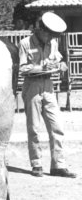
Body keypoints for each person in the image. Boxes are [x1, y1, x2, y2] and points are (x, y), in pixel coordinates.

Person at [19, 11, 76, 178]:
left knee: (56, 127)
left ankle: (58, 165)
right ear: (41, 30)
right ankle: (36, 163)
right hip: (32, 86)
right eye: (49, 34)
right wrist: (40, 67)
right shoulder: (25, 43)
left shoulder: (53, 43)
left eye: (53, 35)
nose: (51, 38)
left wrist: (61, 65)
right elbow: (22, 68)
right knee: (34, 128)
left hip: (48, 86)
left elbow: (58, 60)